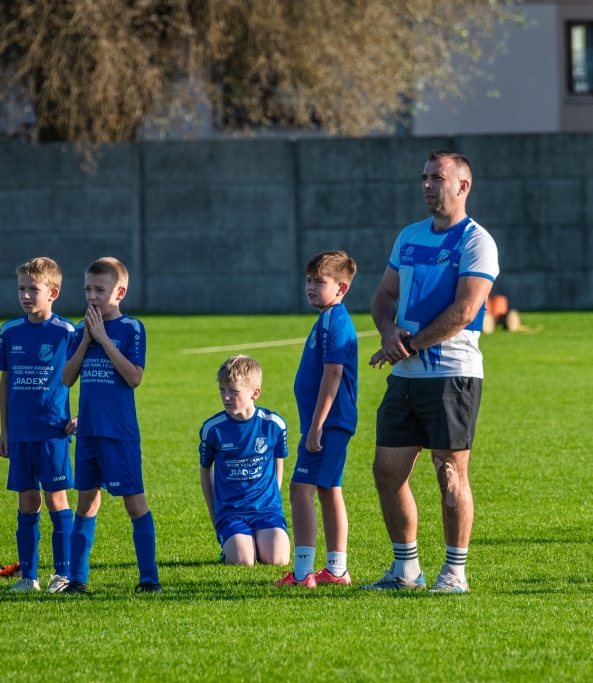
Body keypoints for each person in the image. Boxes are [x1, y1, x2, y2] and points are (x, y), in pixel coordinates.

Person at [364, 150, 498, 593]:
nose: (426, 185)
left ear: (462, 186)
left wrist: (409, 345)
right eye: (424, 177)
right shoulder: (409, 236)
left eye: (436, 178)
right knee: (387, 471)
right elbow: (384, 296)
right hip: (405, 377)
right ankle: (406, 569)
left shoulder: (476, 241)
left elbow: (465, 310)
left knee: (450, 473)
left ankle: (455, 573)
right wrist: (388, 332)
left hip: (452, 376)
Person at [61, 257, 160, 594]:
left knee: (134, 503)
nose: (92, 296)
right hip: (88, 433)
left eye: (99, 290)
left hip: (119, 433)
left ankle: (149, 579)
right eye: (87, 289)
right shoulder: (80, 330)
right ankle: (77, 579)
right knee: (86, 503)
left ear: (120, 292)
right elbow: (67, 378)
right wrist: (86, 341)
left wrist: (103, 339)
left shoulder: (131, 328)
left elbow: (134, 377)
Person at [0, 257, 78, 593]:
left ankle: (62, 575)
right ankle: (28, 577)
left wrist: (82, 415)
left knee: (57, 501)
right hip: (20, 434)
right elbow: (5, 382)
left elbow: (88, 374)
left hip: (53, 433)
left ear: (53, 293)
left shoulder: (67, 332)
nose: (26, 295)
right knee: (27, 503)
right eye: (21, 289)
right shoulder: (9, 331)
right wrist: (5, 430)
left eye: (33, 289)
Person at [277, 251, 358, 587]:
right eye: (308, 280)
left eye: (319, 282)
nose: (310, 286)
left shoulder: (335, 321)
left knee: (300, 490)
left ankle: (302, 573)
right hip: (329, 422)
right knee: (328, 489)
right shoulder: (327, 319)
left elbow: (333, 373)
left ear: (341, 288)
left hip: (328, 422)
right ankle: (336, 571)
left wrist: (316, 425)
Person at [199, 355, 291, 567]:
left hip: (267, 510)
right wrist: (215, 516)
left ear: (254, 393)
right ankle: (233, 547)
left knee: (277, 560)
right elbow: (205, 470)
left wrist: (272, 500)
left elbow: (278, 462)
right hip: (231, 513)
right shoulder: (213, 429)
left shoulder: (274, 425)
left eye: (233, 391)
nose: (226, 397)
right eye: (222, 390)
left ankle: (258, 539)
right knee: (244, 561)